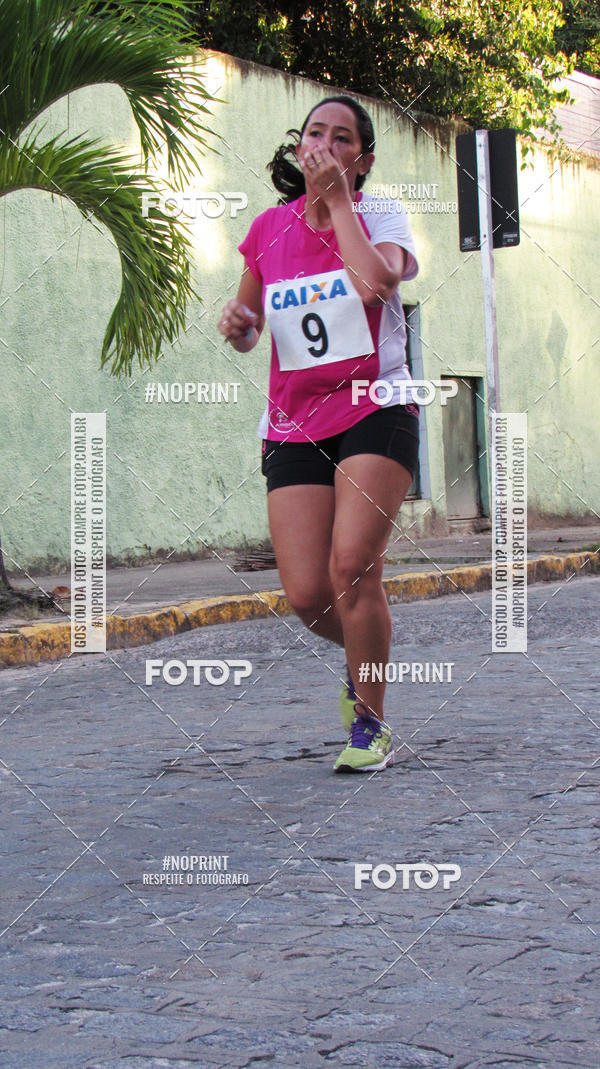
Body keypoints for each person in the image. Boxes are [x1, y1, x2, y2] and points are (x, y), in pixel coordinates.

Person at [217, 95, 419, 773]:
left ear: (359, 160)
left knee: (352, 567)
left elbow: (373, 284)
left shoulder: (379, 214)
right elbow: (249, 323)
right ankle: (367, 653)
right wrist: (239, 323)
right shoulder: (269, 227)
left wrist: (338, 205)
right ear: (298, 145)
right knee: (306, 594)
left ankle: (371, 722)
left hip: (375, 404)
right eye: (314, 133)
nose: (325, 144)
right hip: (294, 421)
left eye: (342, 139)